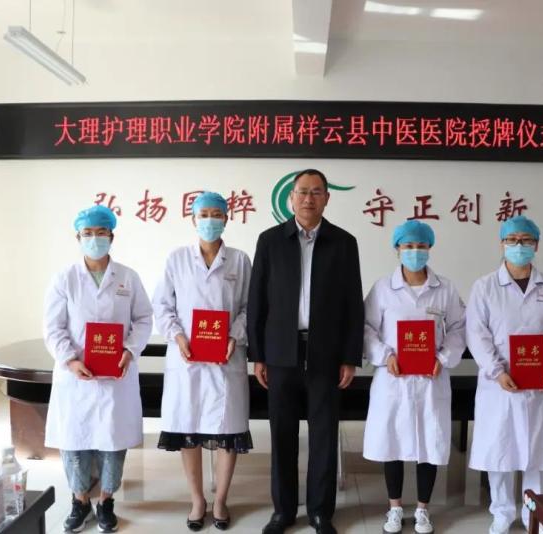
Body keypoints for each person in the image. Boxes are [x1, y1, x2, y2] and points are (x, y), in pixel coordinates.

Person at [247, 169, 364, 534]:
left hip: (326, 354)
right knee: (282, 435)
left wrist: (350, 357)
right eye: (302, 192)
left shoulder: (343, 243)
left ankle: (320, 512)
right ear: (291, 198)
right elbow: (257, 301)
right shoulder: (270, 241)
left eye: (316, 192)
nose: (308, 199)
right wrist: (258, 355)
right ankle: (283, 511)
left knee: (324, 435)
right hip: (281, 353)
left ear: (327, 198)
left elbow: (353, 303)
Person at [43, 205, 153, 533]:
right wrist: (70, 359)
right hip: (75, 375)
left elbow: (144, 319)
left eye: (101, 233)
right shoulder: (64, 278)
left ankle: (106, 501)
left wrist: (130, 350)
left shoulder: (128, 277)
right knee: (75, 441)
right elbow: (53, 327)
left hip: (116, 375)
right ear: (78, 237)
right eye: (87, 234)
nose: (94, 239)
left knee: (112, 441)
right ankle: (79, 501)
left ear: (111, 237)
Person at [466, 215, 543, 534]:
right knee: (500, 449)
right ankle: (501, 512)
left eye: (526, 240)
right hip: (501, 384)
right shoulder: (485, 287)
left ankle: (535, 513)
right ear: (502, 244)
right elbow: (477, 334)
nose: (519, 245)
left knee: (539, 452)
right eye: (512, 240)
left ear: (536, 245)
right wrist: (496, 371)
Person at [152, 191, 252, 531]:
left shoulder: (239, 260)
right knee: (189, 429)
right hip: (188, 360)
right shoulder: (176, 259)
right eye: (204, 214)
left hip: (226, 359)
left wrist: (234, 335)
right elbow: (162, 306)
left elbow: (250, 307)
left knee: (228, 431)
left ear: (226, 219)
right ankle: (197, 499)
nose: (210, 220)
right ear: (193, 219)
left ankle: (221, 499)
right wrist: (178, 335)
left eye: (216, 214)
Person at [362, 220, 466, 534]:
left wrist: (443, 357)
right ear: (397, 249)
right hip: (393, 380)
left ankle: (422, 509)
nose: (415, 252)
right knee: (392, 443)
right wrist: (385, 356)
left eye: (421, 246)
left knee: (429, 444)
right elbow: (366, 329)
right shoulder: (383, 288)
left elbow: (459, 328)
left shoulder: (445, 288)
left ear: (429, 248)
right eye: (408, 246)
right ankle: (394, 507)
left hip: (431, 379)